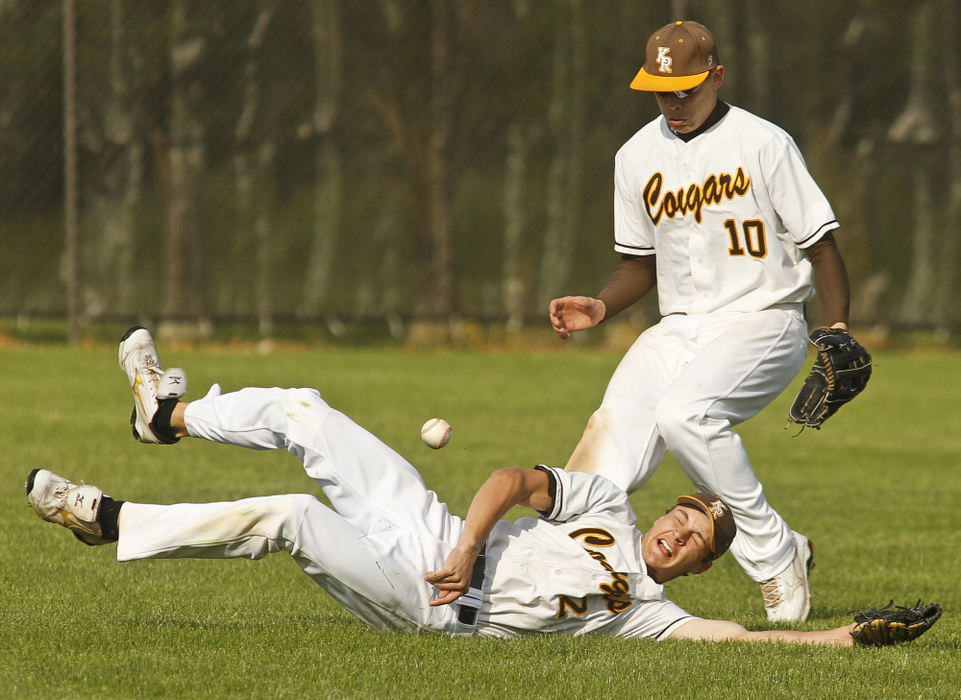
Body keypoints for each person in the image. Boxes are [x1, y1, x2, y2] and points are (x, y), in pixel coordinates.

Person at [28, 326, 865, 645]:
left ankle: (108, 518)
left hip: (429, 602)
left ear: (697, 568)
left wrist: (842, 639)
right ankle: (164, 418)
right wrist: (465, 544)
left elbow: (746, 644)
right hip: (434, 535)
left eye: (696, 543)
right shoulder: (607, 505)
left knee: (290, 516)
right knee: (302, 409)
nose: (679, 534)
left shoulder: (649, 615)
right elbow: (506, 479)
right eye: (685, 514)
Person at [548, 20, 856, 623]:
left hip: (763, 317)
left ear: (716, 76)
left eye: (686, 88)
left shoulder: (763, 143)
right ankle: (571, 581)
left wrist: (838, 329)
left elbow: (821, 245)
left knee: (687, 414)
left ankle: (774, 556)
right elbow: (636, 264)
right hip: (680, 326)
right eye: (663, 91)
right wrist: (603, 304)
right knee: (602, 465)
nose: (674, 102)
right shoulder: (635, 155)